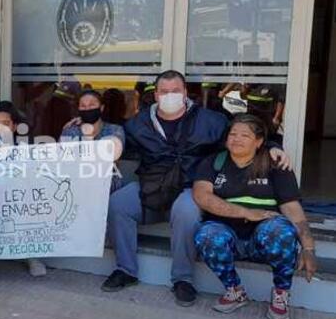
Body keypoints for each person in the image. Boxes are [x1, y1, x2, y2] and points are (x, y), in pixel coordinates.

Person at [102, 70, 290, 306]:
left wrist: (271, 145)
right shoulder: (138, 124)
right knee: (118, 204)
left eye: (175, 91)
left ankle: (182, 279)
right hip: (152, 184)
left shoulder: (211, 120)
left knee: (187, 211)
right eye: (164, 91)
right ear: (156, 94)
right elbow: (113, 136)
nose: (170, 95)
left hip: (191, 186)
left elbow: (242, 134)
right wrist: (85, 123)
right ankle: (125, 270)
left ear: (185, 93)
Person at [192, 114, 316, 319]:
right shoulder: (214, 162)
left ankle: (280, 294)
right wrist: (246, 212)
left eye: (245, 135)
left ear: (259, 142)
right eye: (233, 134)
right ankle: (235, 290)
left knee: (281, 230)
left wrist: (308, 247)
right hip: (228, 235)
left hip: (264, 239)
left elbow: (291, 207)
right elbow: (202, 196)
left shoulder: (275, 164)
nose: (237, 139)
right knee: (206, 235)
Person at [0, 101, 47, 277]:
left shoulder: (24, 149)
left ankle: (31, 256)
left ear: (14, 126)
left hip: (15, 200)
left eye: (5, 123)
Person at [61, 89, 125, 192]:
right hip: (77, 185)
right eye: (83, 106)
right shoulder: (71, 132)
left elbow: (108, 160)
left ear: (101, 108)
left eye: (92, 105)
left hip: (108, 186)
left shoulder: (115, 130)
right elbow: (67, 163)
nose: (87, 109)